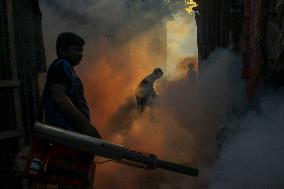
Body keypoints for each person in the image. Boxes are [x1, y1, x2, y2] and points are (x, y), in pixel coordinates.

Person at [40, 32, 100, 188]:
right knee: (73, 182)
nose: (80, 55)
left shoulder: (67, 69)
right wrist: (85, 126)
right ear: (62, 49)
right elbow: (59, 97)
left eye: (81, 51)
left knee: (71, 181)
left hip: (71, 136)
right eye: (75, 50)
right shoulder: (62, 66)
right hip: (67, 136)